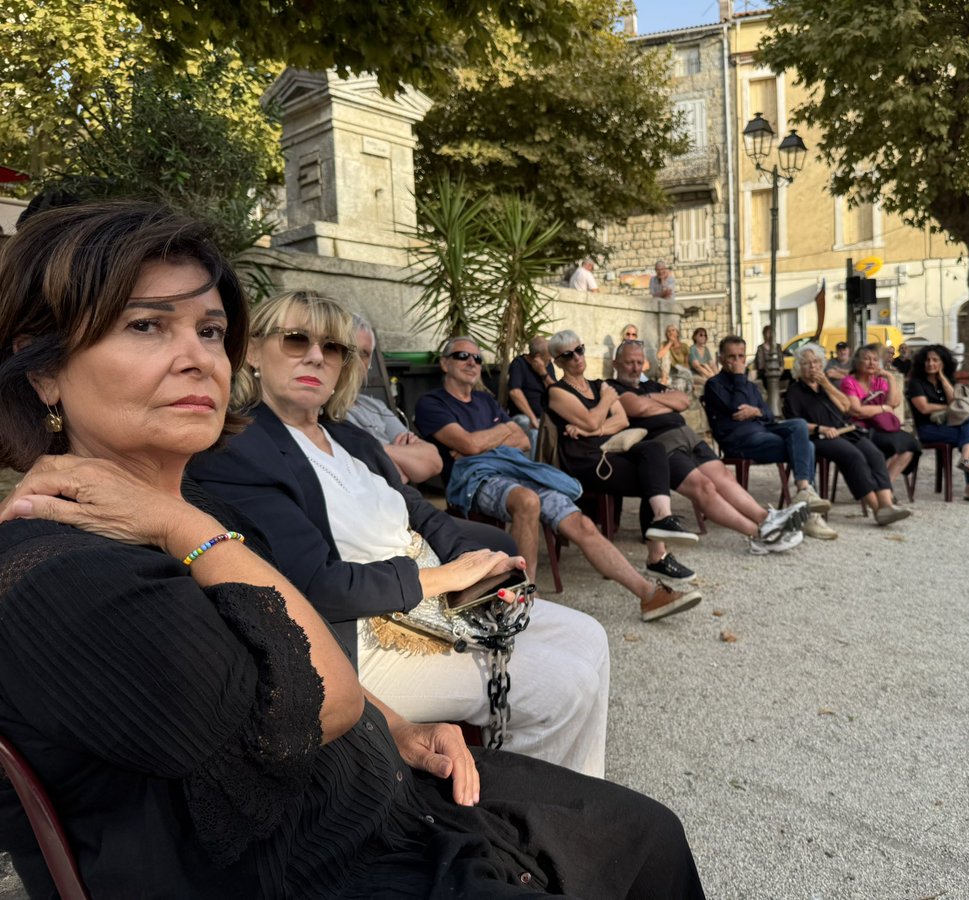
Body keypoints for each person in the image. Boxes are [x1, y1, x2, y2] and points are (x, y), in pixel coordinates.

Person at [0, 202, 704, 898]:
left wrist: (401, 719)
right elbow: (315, 659)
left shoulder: (330, 450)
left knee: (641, 814)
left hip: (379, 757)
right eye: (146, 325)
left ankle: (641, 604)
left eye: (210, 330)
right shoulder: (72, 569)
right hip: (320, 847)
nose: (195, 359)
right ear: (43, 369)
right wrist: (190, 529)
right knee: (566, 703)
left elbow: (414, 522)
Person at [190, 291, 612, 776]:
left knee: (589, 635)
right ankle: (541, 820)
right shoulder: (242, 449)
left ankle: (574, 793)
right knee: (564, 684)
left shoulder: (351, 439)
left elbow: (423, 514)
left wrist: (478, 569)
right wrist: (441, 579)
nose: (314, 355)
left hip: (432, 600)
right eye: (295, 339)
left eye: (332, 348)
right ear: (252, 352)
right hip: (358, 640)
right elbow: (315, 585)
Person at [416, 334, 702, 620]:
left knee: (583, 523)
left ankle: (648, 595)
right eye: (462, 356)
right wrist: (499, 436)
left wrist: (485, 441)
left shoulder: (485, 401)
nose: (472, 362)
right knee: (527, 501)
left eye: (477, 358)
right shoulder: (432, 403)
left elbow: (522, 440)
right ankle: (527, 596)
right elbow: (470, 446)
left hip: (518, 470)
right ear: (444, 364)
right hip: (474, 478)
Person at [609, 339, 806, 556]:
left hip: (687, 435)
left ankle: (767, 518)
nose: (635, 368)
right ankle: (759, 535)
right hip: (660, 444)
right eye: (629, 363)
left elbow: (683, 401)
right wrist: (664, 402)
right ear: (616, 363)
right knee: (703, 488)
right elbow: (636, 407)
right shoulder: (612, 387)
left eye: (639, 362)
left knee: (724, 477)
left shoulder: (651, 386)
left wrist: (651, 398)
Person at [545, 330, 706, 569]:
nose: (577, 358)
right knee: (652, 479)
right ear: (558, 362)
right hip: (585, 462)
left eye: (580, 350)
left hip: (608, 452)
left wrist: (591, 430)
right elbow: (592, 419)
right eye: (568, 355)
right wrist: (606, 403)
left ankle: (663, 520)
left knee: (653, 450)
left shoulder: (599, 385)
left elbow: (621, 421)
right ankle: (657, 557)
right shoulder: (557, 392)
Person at [703, 335, 837, 540]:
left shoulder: (750, 386)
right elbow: (735, 408)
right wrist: (740, 378)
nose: (737, 362)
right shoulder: (714, 385)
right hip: (739, 441)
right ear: (721, 358)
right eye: (731, 357)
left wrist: (755, 411)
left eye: (740, 357)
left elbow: (767, 413)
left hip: (764, 432)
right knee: (806, 448)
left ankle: (804, 492)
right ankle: (810, 513)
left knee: (799, 426)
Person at [785, 347, 911, 526]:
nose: (813, 367)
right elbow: (795, 424)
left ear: (822, 365)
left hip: (844, 431)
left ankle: (886, 504)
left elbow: (846, 407)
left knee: (874, 454)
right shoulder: (794, 392)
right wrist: (821, 428)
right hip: (818, 437)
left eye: (816, 362)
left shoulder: (827, 386)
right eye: (806, 363)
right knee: (853, 456)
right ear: (798, 367)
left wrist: (827, 385)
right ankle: (877, 510)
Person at [344, 313, 443, 484]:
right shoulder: (323, 410)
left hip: (406, 502)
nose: (356, 360)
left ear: (369, 364)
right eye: (349, 349)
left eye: (364, 353)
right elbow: (393, 477)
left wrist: (379, 452)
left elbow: (433, 461)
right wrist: (402, 457)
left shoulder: (375, 406)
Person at [905, 343, 969, 502]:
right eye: (927, 360)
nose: (931, 364)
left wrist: (942, 377)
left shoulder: (946, 382)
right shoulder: (916, 383)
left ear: (943, 363)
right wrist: (948, 407)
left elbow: (954, 400)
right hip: (929, 429)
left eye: (935, 360)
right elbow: (924, 408)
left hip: (950, 426)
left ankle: (966, 460)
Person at [840, 343, 921, 486]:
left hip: (882, 427)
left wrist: (889, 377)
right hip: (859, 429)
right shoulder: (849, 382)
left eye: (875, 360)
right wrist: (883, 408)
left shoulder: (878, 381)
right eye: (867, 359)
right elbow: (857, 411)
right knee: (892, 444)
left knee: (910, 445)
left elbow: (894, 403)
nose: (872, 363)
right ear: (857, 362)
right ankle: (882, 488)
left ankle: (885, 486)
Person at [506, 335, 557, 448]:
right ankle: (535, 466)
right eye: (549, 355)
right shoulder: (518, 364)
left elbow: (557, 391)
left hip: (546, 418)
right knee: (535, 435)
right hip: (523, 417)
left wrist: (543, 373)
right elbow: (514, 392)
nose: (551, 359)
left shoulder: (547, 365)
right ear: (538, 356)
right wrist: (532, 418)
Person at [657, 323, 692, 392]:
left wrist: (687, 377)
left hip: (680, 373)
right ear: (666, 334)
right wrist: (670, 343)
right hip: (666, 373)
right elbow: (659, 356)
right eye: (668, 331)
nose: (671, 332)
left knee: (679, 385)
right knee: (666, 352)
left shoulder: (684, 346)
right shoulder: (664, 344)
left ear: (677, 333)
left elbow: (686, 364)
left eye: (673, 330)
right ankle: (664, 380)